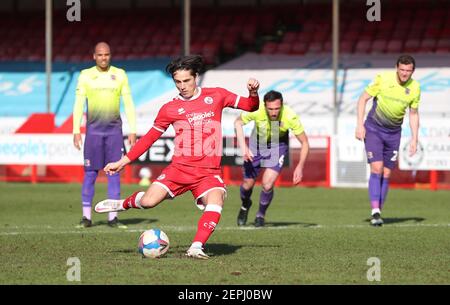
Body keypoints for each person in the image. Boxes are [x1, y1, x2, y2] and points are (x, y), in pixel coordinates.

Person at [94, 55, 260, 259]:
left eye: (186, 81)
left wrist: (253, 93)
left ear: (196, 77)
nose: (182, 86)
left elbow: (251, 106)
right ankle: (123, 204)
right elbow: (149, 139)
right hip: (179, 170)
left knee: (216, 200)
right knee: (148, 202)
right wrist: (123, 161)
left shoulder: (217, 95)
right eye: (177, 82)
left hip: (208, 173)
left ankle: (196, 247)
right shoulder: (169, 108)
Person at [73, 42, 137, 229]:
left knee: (114, 173)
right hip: (93, 132)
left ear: (110, 55)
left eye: (107, 55)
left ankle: (113, 218)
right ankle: (86, 218)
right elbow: (78, 104)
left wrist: (133, 129)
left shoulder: (120, 74)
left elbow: (129, 103)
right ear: (94, 56)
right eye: (100, 55)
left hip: (114, 133)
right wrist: (76, 130)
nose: (103, 58)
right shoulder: (86, 76)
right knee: (90, 174)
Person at [355, 55, 420, 226]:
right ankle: (375, 210)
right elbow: (363, 99)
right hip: (374, 129)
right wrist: (359, 125)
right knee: (377, 168)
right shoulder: (382, 79)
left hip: (394, 133)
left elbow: (413, 114)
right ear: (396, 68)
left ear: (412, 71)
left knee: (386, 173)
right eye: (402, 69)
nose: (405, 73)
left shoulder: (415, 88)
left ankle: (378, 212)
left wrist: (414, 138)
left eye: (408, 70)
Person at [235, 90, 309, 227]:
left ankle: (260, 215)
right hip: (257, 143)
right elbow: (238, 123)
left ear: (282, 105)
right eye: (270, 109)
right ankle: (245, 204)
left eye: (277, 109)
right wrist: (243, 147)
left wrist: (300, 166)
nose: (274, 112)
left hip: (278, 144)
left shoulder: (290, 115)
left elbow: (305, 142)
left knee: (267, 184)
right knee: (247, 184)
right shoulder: (256, 109)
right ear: (264, 106)